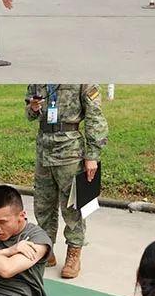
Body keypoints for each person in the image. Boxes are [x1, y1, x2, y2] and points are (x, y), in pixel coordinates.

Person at [25, 84, 108, 279]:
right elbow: (30, 114)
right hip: (44, 149)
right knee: (43, 204)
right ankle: (46, 249)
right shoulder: (39, 78)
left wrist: (92, 156)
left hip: (70, 150)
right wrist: (34, 108)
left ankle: (74, 253)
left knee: (73, 205)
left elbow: (95, 117)